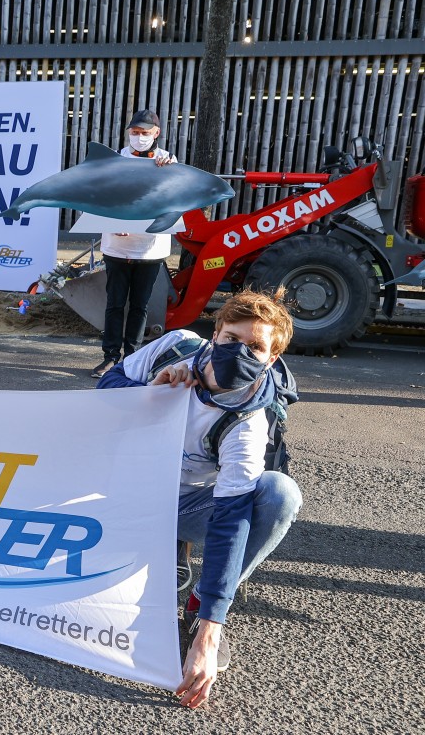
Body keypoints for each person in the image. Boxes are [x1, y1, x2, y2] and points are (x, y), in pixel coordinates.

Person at [96, 289, 301, 709]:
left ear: (272, 359)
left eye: (256, 347)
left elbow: (230, 519)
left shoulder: (247, 422)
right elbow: (105, 388)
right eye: (231, 340)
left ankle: (194, 606)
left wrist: (211, 628)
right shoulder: (173, 347)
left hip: (190, 504)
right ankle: (166, 544)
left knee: (280, 494)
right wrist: (149, 391)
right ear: (214, 336)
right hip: (128, 489)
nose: (239, 352)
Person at [91, 109, 178, 379]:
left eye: (145, 133)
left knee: (140, 306)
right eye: (135, 132)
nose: (139, 137)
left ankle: (133, 358)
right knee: (115, 304)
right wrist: (113, 222)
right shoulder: (115, 161)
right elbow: (103, 197)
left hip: (150, 249)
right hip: (117, 247)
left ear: (157, 134)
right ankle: (110, 357)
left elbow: (175, 195)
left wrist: (171, 170)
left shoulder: (168, 161)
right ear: (128, 132)